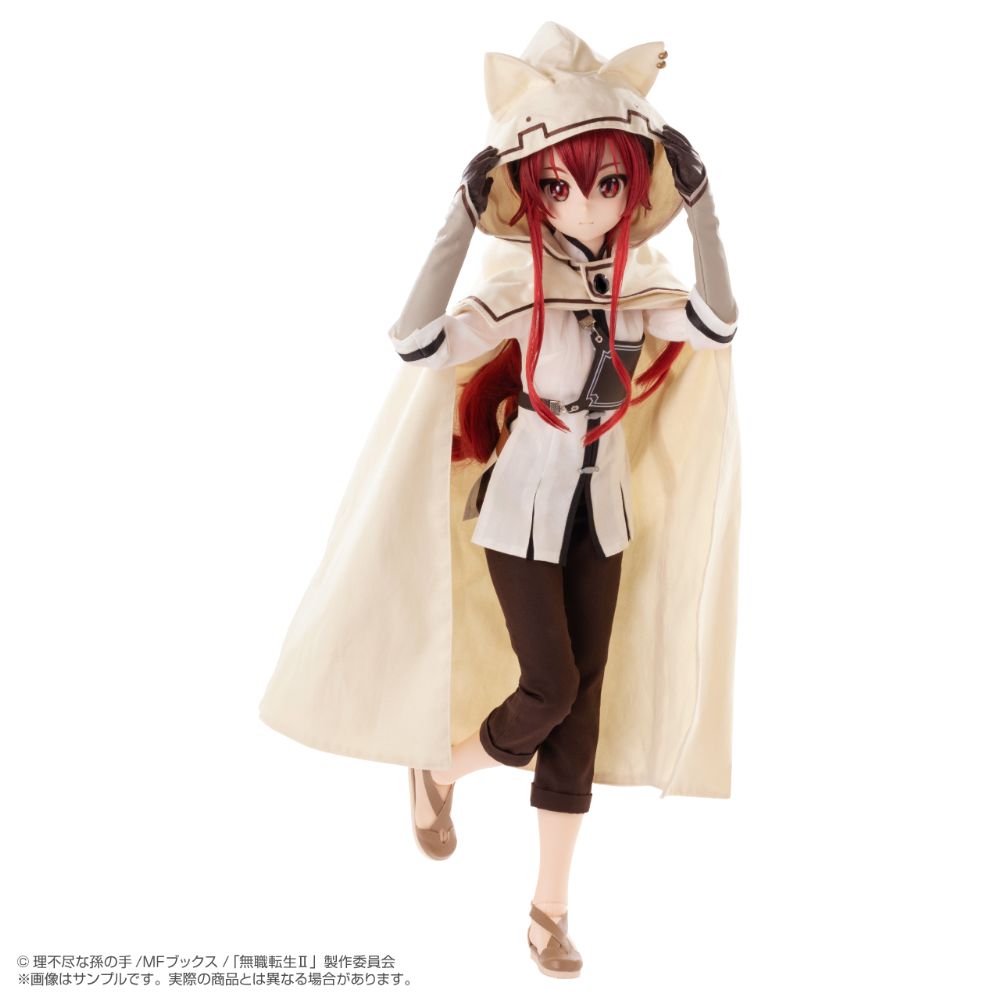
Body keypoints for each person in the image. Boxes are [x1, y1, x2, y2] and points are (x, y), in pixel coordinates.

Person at [259, 22, 741, 980]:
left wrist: (703, 208)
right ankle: (442, 768)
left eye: (609, 183)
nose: (586, 206)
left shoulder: (635, 289)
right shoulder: (518, 291)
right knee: (549, 688)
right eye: (557, 186)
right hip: (521, 507)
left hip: (602, 513)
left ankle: (548, 911)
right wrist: (458, 213)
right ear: (530, 192)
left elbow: (720, 323)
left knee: (580, 712)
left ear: (635, 187)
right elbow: (413, 340)